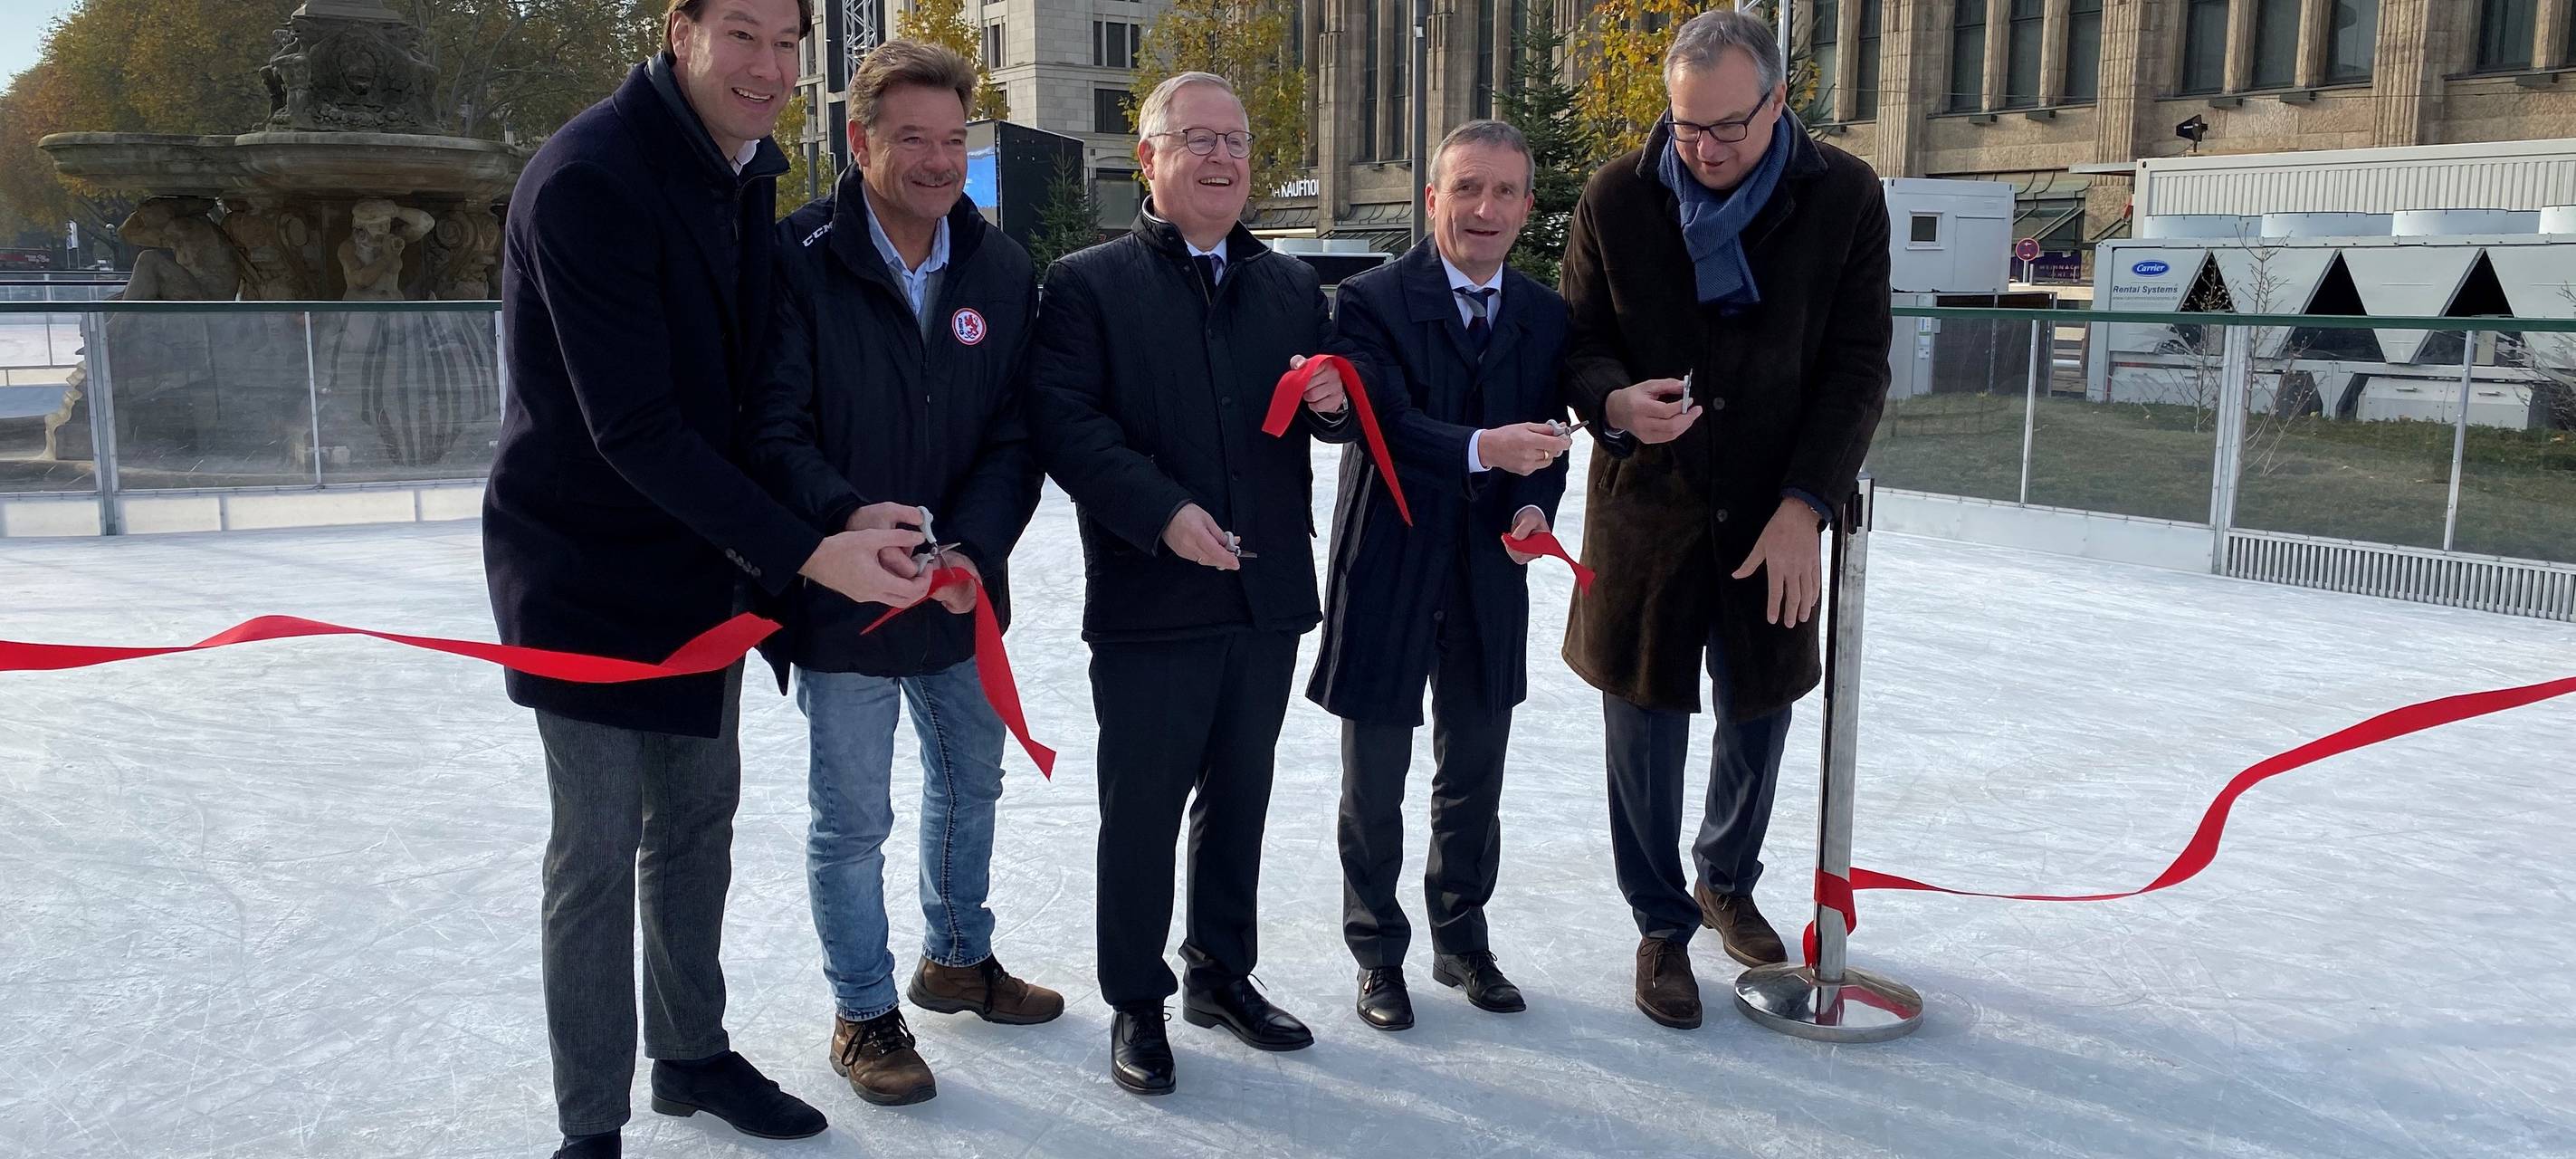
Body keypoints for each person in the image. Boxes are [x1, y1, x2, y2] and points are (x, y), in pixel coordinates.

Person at [481, 2, 926, 1154]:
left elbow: (743, 405)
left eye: (787, 44)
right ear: (679, 30)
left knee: (695, 826)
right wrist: (808, 551)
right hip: (582, 577)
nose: (770, 68)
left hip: (700, 569)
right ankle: (590, 1124)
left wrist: (831, 512)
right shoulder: (590, 177)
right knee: (594, 852)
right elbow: (633, 425)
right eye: (743, 35)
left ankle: (689, 1053)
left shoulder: (742, 172)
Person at [1554, 9, 1891, 1031]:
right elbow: (1574, 345)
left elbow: (1856, 366)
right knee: (1642, 715)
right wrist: (1611, 401)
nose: (1700, 150)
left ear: (1778, 101)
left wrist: (1805, 505)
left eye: (1725, 129)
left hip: (1773, 501)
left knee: (1759, 704)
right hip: (1646, 510)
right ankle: (1660, 921)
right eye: (1684, 127)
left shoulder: (1842, 197)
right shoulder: (1617, 195)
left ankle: (1726, 878)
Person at [742, 38, 1057, 1111]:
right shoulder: (795, 256)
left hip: (963, 590)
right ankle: (865, 1008)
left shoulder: (1000, 268)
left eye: (950, 140)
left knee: (973, 781)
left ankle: (957, 959)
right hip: (845, 597)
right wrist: (844, 525)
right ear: (857, 140)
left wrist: (971, 542)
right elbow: (771, 427)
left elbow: (1017, 435)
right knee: (852, 817)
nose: (934, 161)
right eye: (910, 138)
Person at [1026, 71, 1354, 1097]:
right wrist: (1160, 512)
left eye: (1237, 141)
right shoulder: (1084, 286)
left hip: (1262, 594)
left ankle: (1220, 970)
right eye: (1197, 139)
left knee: (1240, 795)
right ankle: (1136, 998)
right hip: (1148, 599)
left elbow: (1320, 414)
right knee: (1142, 809)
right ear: (1152, 157)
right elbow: (1066, 425)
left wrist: (1337, 406)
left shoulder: (1291, 287)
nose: (1221, 158)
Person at [1306, 120, 1572, 1032]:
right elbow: (1379, 418)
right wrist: (1479, 447)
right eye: (1466, 188)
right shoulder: (1372, 300)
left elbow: (1548, 444)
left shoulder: (1544, 314)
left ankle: (1461, 935)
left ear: (1527, 206)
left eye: (1503, 191)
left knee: (1474, 770)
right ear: (1432, 199)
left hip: (1487, 575)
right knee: (1373, 778)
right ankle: (1377, 952)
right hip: (1387, 563)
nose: (1484, 208)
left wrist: (1534, 504)